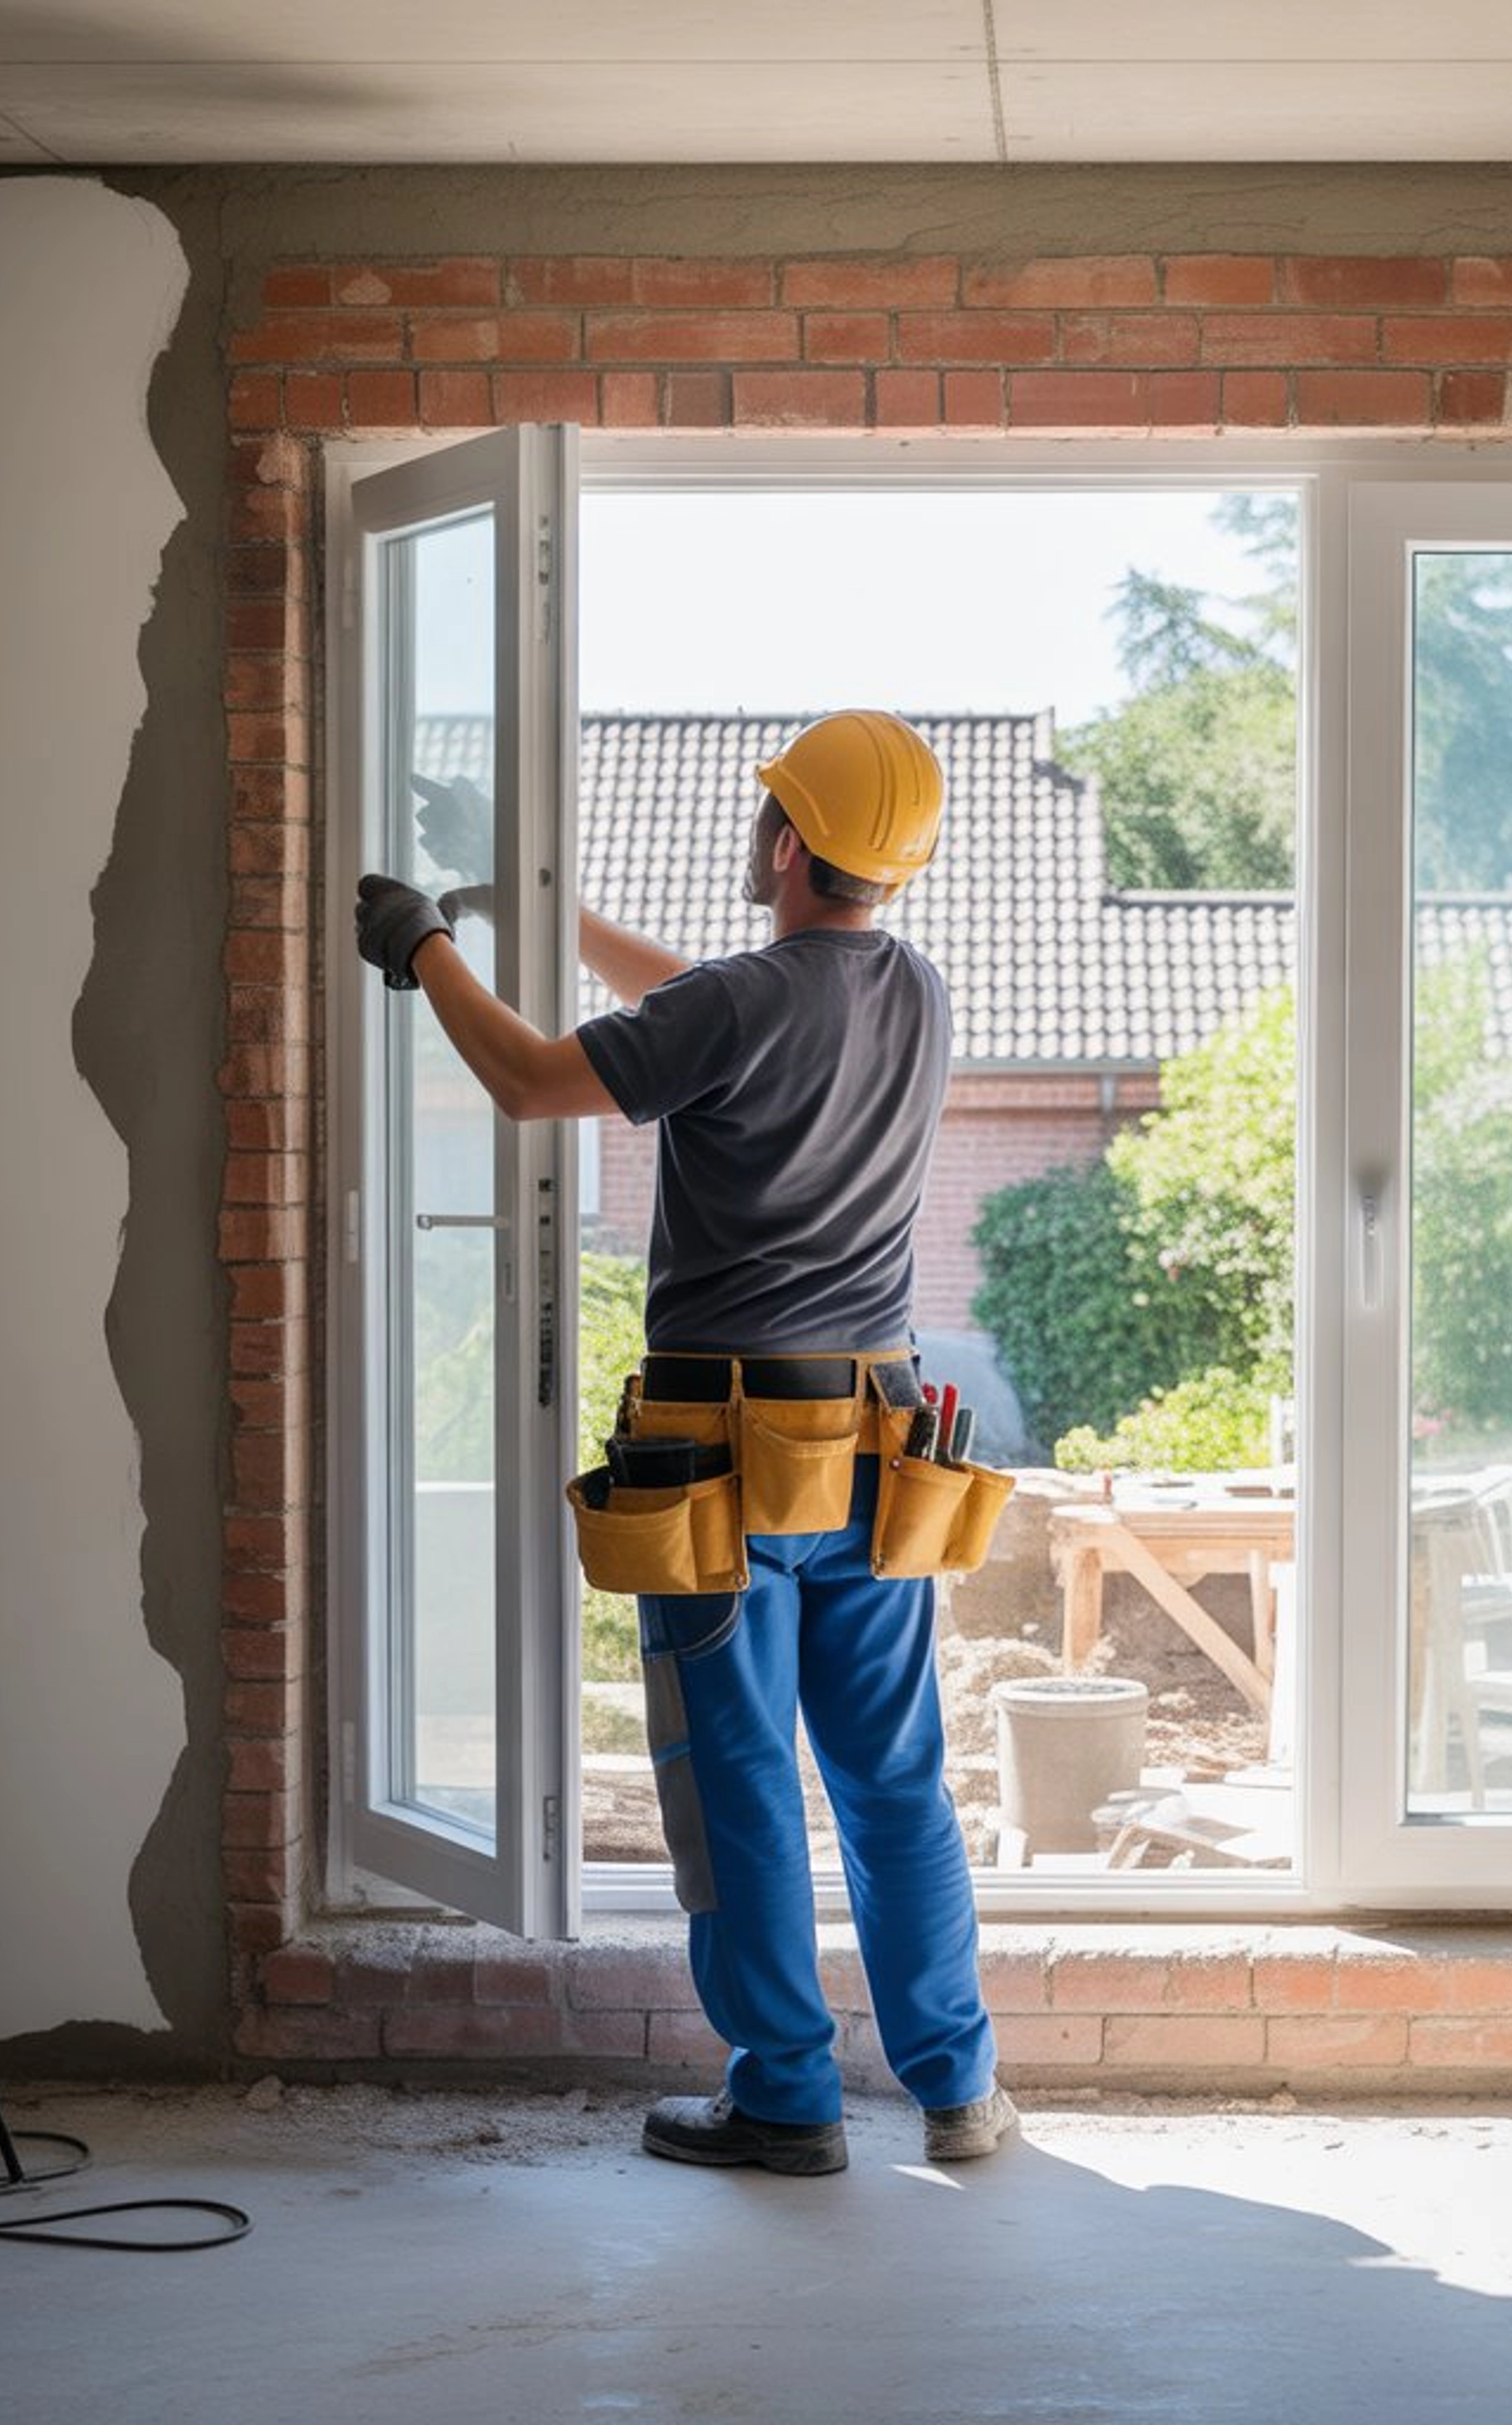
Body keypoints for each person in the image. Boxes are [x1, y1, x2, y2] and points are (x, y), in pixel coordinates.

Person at [355, 709, 1014, 2179]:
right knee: (893, 1777)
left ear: (787, 839)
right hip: (880, 1443)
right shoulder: (918, 991)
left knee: (738, 1776)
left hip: (720, 1448)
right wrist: (543, 906)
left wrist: (424, 950)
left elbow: (537, 1080)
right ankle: (959, 2090)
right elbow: (704, 1010)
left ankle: (786, 2097)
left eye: (765, 813)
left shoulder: (741, 1007)